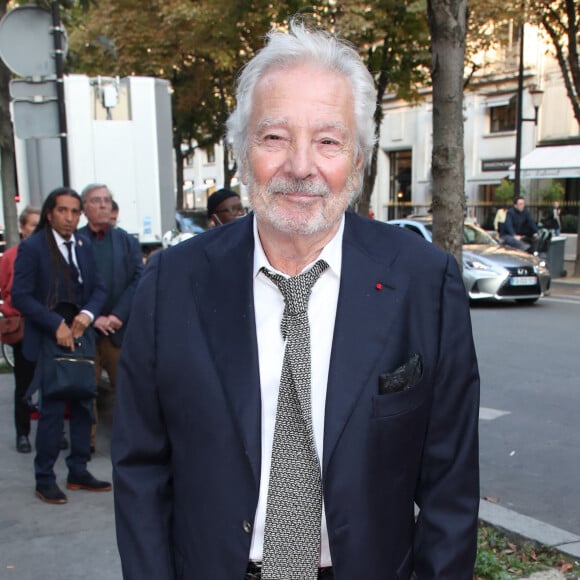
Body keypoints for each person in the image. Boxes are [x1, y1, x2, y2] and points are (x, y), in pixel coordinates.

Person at [112, 20, 480, 579]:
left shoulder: (426, 283)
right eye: (275, 137)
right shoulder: (170, 283)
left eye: (328, 140)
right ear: (242, 152)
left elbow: (450, 489)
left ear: (357, 161)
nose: (301, 166)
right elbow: (140, 471)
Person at [12, 187, 111, 505]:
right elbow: (21, 296)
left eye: (74, 212)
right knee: (53, 410)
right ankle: (45, 478)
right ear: (49, 213)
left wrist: (86, 314)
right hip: (47, 339)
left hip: (81, 336)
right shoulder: (33, 247)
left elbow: (99, 287)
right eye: (63, 211)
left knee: (83, 404)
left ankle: (78, 471)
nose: (69, 218)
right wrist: (55, 324)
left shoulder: (82, 244)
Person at [78, 184, 143, 451]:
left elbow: (138, 279)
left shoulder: (126, 241)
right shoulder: (75, 241)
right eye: (96, 200)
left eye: (107, 200)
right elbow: (71, 284)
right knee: (85, 390)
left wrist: (117, 315)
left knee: (125, 391)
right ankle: (87, 443)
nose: (104, 205)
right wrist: (93, 317)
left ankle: (126, 442)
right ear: (84, 207)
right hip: (85, 330)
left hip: (118, 329)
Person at [0, 206, 41, 453]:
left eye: (39, 224)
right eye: (31, 225)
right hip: (23, 327)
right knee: (24, 384)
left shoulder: (50, 254)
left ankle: (54, 432)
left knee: (51, 385)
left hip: (46, 326)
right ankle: (23, 434)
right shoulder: (11, 256)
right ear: (23, 228)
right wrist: (9, 309)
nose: (35, 229)